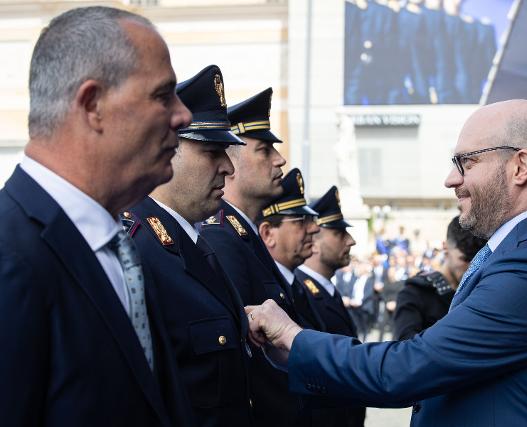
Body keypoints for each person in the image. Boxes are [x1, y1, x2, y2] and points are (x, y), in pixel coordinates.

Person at [246, 99, 527, 426]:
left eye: (467, 162)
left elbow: (408, 367)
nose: (452, 180)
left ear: (520, 166)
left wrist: (293, 338)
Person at [0, 7, 194, 426]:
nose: (183, 116)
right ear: (93, 105)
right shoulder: (11, 257)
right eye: (163, 96)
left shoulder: (119, 247)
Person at [124, 65, 253, 426]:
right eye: (212, 151)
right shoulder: (136, 250)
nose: (228, 167)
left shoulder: (193, 244)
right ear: (167, 149)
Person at [197, 89, 308, 427]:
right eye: (264, 150)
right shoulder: (223, 240)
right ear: (232, 162)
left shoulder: (242, 237)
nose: (280, 160)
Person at [294, 185, 366, 427]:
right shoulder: (300, 291)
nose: (351, 241)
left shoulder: (326, 290)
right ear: (314, 240)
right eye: (339, 233)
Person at [393, 215, 486, 340]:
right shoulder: (415, 292)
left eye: (478, 261)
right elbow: (406, 347)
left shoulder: (482, 290)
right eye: (466, 259)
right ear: (445, 247)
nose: (472, 267)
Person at [258, 168, 323, 331]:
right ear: (268, 234)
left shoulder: (296, 285)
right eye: (302, 221)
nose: (314, 228)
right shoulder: (261, 289)